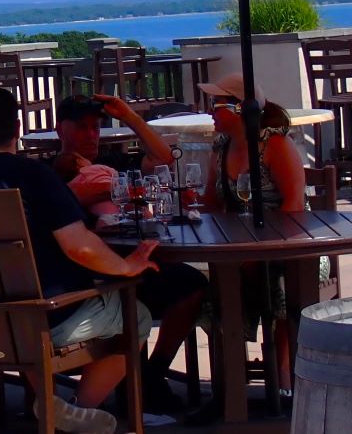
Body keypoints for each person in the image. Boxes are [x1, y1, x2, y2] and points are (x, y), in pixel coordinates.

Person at [0, 87, 156, 434]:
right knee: (137, 314)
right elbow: (80, 247)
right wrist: (127, 266)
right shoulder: (33, 176)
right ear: (17, 129)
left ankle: (54, 404)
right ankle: (73, 413)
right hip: (45, 320)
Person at [52, 94, 207, 414]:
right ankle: (131, 388)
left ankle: (152, 373)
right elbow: (68, 198)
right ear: (59, 130)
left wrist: (130, 117)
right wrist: (119, 189)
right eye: (81, 127)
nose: (91, 134)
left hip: (133, 264)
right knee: (137, 296)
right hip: (89, 277)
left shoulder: (115, 162)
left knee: (193, 284)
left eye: (96, 127)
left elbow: (164, 158)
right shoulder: (50, 173)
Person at [201, 72, 306, 394]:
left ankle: (283, 374)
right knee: (213, 283)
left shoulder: (275, 145)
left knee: (277, 278)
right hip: (237, 250)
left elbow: (294, 207)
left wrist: (259, 249)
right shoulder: (220, 148)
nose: (209, 112)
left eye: (215, 104)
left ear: (239, 109)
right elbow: (210, 205)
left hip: (289, 250)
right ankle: (230, 383)